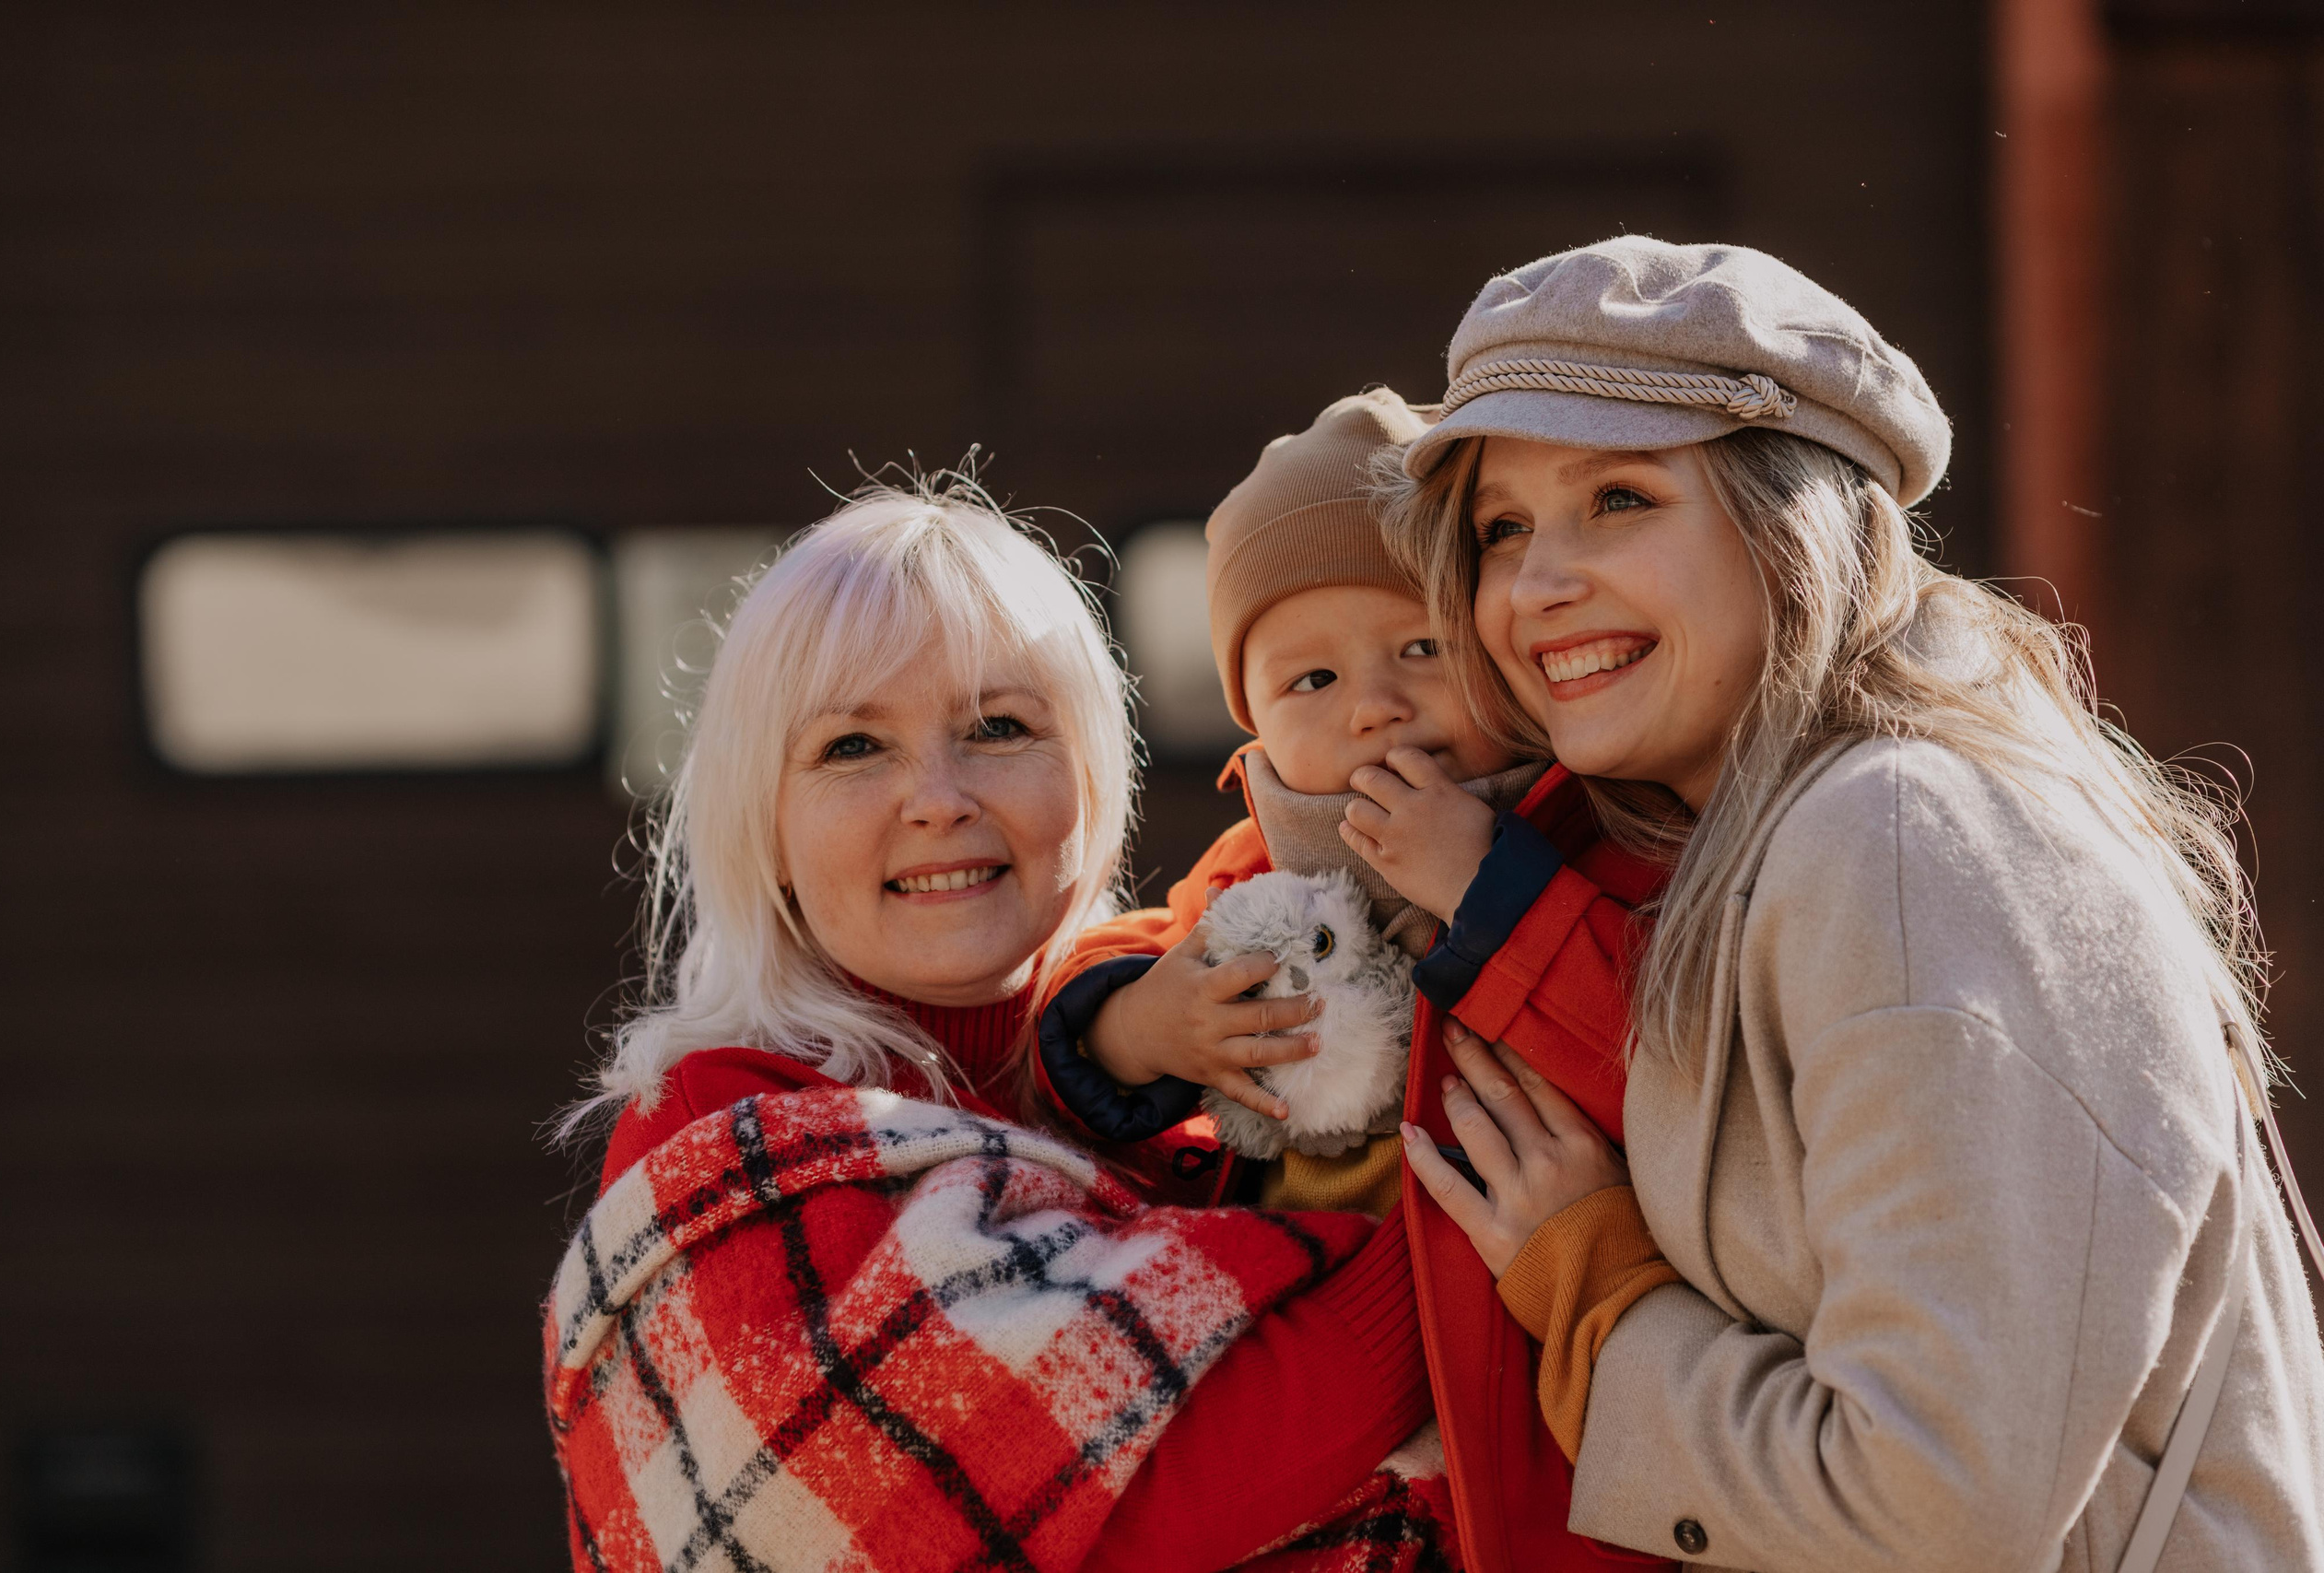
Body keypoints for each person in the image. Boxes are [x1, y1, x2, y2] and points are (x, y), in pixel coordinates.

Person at [1379, 235, 2324, 1570]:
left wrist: (1599, 1296)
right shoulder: (1822, 827)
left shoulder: (1894, 832)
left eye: (1623, 500)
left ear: (1789, 523)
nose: (1537, 585)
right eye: (1502, 529)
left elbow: (1934, 1499)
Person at [542, 475, 1446, 1573]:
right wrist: (1471, 1249)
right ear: (764, 824)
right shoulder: (717, 1125)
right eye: (852, 748)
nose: (937, 796)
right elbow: (1146, 1489)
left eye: (998, 728)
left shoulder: (1198, 1059)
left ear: (1091, 776)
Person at [1030, 391, 1677, 1573]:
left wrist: (1487, 889)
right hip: (1304, 1390)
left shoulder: (1588, 832)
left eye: (1419, 651)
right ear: (1256, 724)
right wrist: (1132, 1024)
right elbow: (1106, 967)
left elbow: (1661, 1057)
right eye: (1308, 683)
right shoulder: (1254, 865)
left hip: (1525, 1394)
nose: (1372, 704)